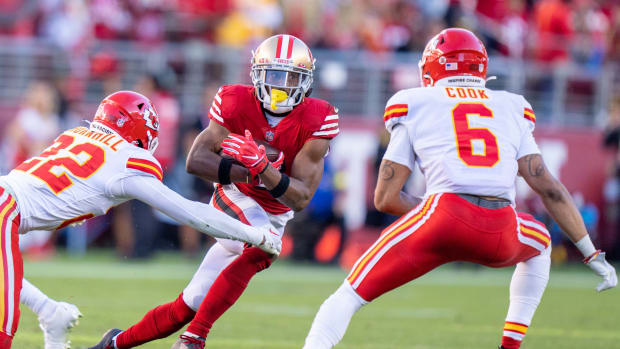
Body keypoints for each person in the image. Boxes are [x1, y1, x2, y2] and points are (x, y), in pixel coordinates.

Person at [303, 28, 617, 349]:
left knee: (348, 296)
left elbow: (385, 199)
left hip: (441, 217)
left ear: (434, 67)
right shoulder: (511, 106)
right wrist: (591, 253)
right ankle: (510, 346)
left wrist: (437, 214)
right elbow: (548, 188)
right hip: (501, 228)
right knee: (541, 244)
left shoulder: (417, 101)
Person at [90, 34, 339, 349]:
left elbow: (300, 198)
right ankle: (194, 338)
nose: (281, 85)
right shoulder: (235, 100)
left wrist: (264, 168)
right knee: (266, 246)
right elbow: (196, 161)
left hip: (274, 214)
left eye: (291, 76)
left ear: (306, 80)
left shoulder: (319, 117)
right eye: (273, 74)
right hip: (235, 197)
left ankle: (112, 344)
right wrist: (249, 170)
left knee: (189, 304)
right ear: (256, 73)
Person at [0, 90, 281, 349]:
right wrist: (256, 235)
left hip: (6, 199)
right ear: (139, 132)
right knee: (3, 326)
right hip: (6, 209)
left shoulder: (74, 134)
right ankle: (51, 313)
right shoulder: (126, 161)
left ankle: (50, 311)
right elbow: (193, 214)